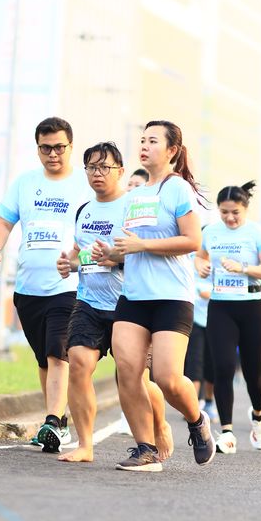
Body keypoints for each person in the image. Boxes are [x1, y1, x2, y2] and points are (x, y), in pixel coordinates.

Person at [93, 120, 215, 471]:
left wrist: (143, 246)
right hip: (133, 296)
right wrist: (109, 254)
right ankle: (145, 449)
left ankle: (197, 421)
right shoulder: (132, 197)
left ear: (172, 150)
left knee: (167, 378)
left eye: (153, 141)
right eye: (142, 140)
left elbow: (192, 241)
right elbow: (125, 247)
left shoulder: (178, 189)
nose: (144, 146)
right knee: (128, 373)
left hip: (172, 297)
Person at [56, 142, 172, 463]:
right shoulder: (84, 210)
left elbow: (146, 251)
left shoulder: (132, 207)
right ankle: (85, 445)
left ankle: (160, 424)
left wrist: (116, 259)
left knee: (134, 379)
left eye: (104, 167)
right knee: (78, 363)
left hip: (128, 303)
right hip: (89, 302)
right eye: (91, 167)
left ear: (120, 171)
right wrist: (69, 264)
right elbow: (79, 253)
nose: (98, 173)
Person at [0, 117, 90, 453]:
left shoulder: (85, 185)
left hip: (68, 284)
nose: (53, 154)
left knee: (58, 352)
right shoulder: (25, 183)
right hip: (28, 287)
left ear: (70, 146)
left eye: (59, 147)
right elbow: (4, 222)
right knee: (44, 359)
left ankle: (53, 421)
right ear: (38, 149)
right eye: (46, 148)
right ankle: (58, 422)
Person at [195, 182, 261, 454]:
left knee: (254, 372)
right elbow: (199, 256)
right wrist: (201, 265)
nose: (229, 218)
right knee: (223, 367)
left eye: (235, 213)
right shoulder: (210, 232)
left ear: (245, 209)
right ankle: (227, 432)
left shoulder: (257, 232)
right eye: (224, 212)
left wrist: (243, 268)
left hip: (252, 307)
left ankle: (258, 416)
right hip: (221, 306)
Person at [117, 166, 150, 435]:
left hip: (148, 298)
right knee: (125, 365)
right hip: (120, 298)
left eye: (137, 185)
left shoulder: (151, 218)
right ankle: (130, 417)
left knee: (147, 372)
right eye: (129, 184)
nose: (131, 189)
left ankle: (155, 423)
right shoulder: (121, 212)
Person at [184, 259, 217, 422]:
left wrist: (211, 294)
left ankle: (209, 403)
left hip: (217, 320)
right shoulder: (190, 259)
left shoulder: (220, 258)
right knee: (194, 363)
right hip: (194, 320)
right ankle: (193, 406)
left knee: (212, 366)